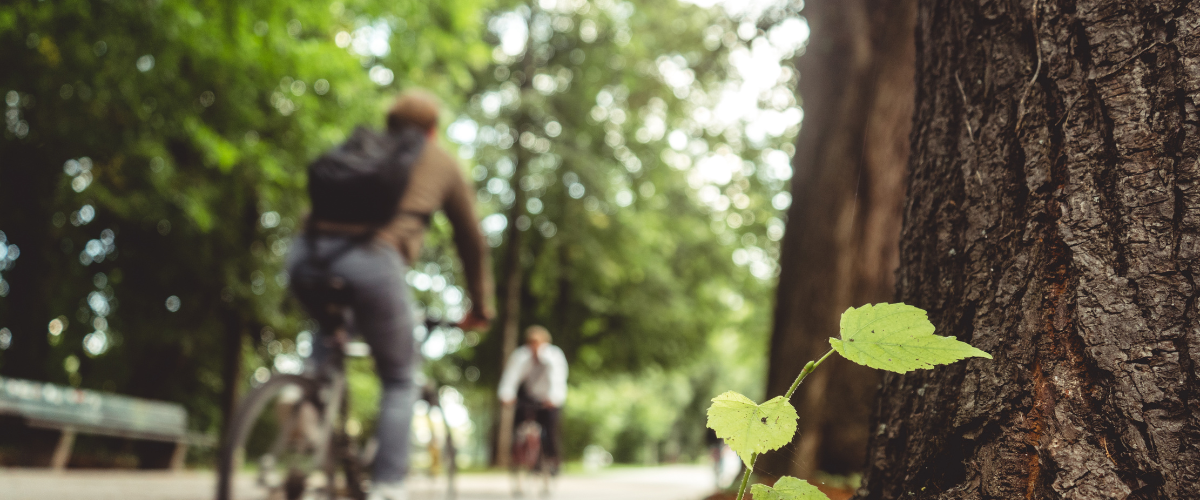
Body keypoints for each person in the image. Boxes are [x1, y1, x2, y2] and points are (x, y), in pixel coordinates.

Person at [287, 89, 494, 500]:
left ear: (391, 123)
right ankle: (387, 488)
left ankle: (304, 397)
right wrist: (480, 307)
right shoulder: (440, 160)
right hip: (372, 261)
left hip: (305, 254)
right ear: (433, 130)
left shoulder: (363, 144)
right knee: (400, 377)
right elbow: (471, 240)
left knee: (330, 332)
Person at [497, 325, 568, 473]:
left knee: (550, 429)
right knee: (519, 422)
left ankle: (552, 460)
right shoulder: (521, 356)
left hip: (549, 397)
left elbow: (558, 379)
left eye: (538, 342)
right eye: (531, 342)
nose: (534, 346)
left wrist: (554, 398)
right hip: (530, 396)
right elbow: (511, 377)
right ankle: (518, 455)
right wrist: (506, 395)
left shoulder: (554, 356)